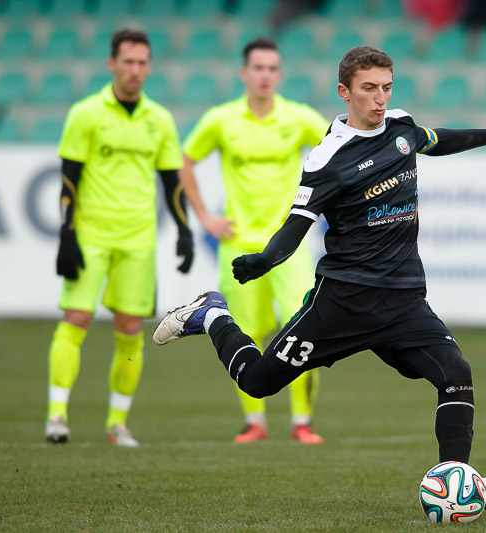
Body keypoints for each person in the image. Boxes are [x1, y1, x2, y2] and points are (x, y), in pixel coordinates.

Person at [153, 45, 486, 508]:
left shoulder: (401, 126)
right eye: (369, 89)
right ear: (345, 92)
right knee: (256, 383)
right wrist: (266, 260)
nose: (380, 98)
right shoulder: (327, 158)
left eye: (386, 87)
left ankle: (458, 481)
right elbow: (296, 225)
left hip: (403, 300)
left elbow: (435, 140)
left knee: (456, 373)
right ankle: (211, 315)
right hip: (342, 303)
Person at [44, 28, 191, 447]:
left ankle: (117, 423)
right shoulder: (85, 114)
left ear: (149, 67)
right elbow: (69, 181)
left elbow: (172, 183)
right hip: (91, 236)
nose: (135, 70)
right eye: (128, 61)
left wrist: (184, 231)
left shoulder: (159, 119)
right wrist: (66, 234)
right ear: (112, 64)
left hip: (138, 240)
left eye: (142, 62)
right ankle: (57, 415)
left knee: (129, 328)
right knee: (76, 319)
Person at [179, 37, 329, 444]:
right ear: (244, 73)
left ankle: (302, 421)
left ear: (280, 75)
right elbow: (185, 161)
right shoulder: (221, 120)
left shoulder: (299, 117)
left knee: (305, 329)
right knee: (245, 332)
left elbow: (340, 149)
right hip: (239, 246)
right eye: (258, 68)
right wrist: (205, 217)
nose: (265, 75)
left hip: (288, 248)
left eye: (272, 68)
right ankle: (255, 422)